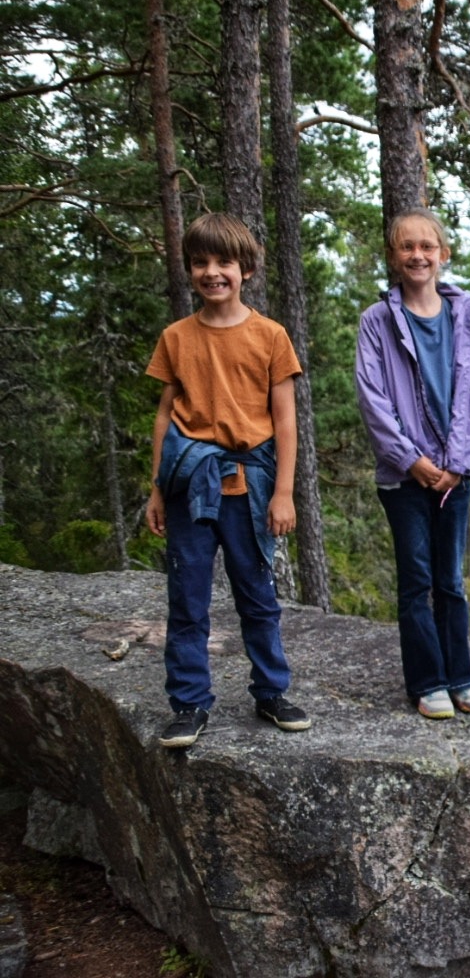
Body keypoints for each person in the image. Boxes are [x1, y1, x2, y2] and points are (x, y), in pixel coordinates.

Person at [145, 212, 311, 748]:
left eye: (224, 262)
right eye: (200, 262)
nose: (212, 272)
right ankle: (189, 702)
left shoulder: (270, 336)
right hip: (189, 484)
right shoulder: (176, 338)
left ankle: (271, 691)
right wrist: (155, 487)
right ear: (189, 269)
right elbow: (166, 415)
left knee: (257, 595)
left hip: (251, 484)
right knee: (187, 597)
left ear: (246, 269)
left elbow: (285, 419)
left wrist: (284, 492)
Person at [355, 208, 470, 719]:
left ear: (443, 254)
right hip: (404, 477)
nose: (418, 255)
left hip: (455, 475)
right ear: (393, 257)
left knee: (450, 581)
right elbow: (373, 399)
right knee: (416, 580)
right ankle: (428, 683)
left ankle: (461, 677)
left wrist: (456, 464)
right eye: (407, 247)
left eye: (427, 246)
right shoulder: (377, 322)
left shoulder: (467, 316)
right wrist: (412, 461)